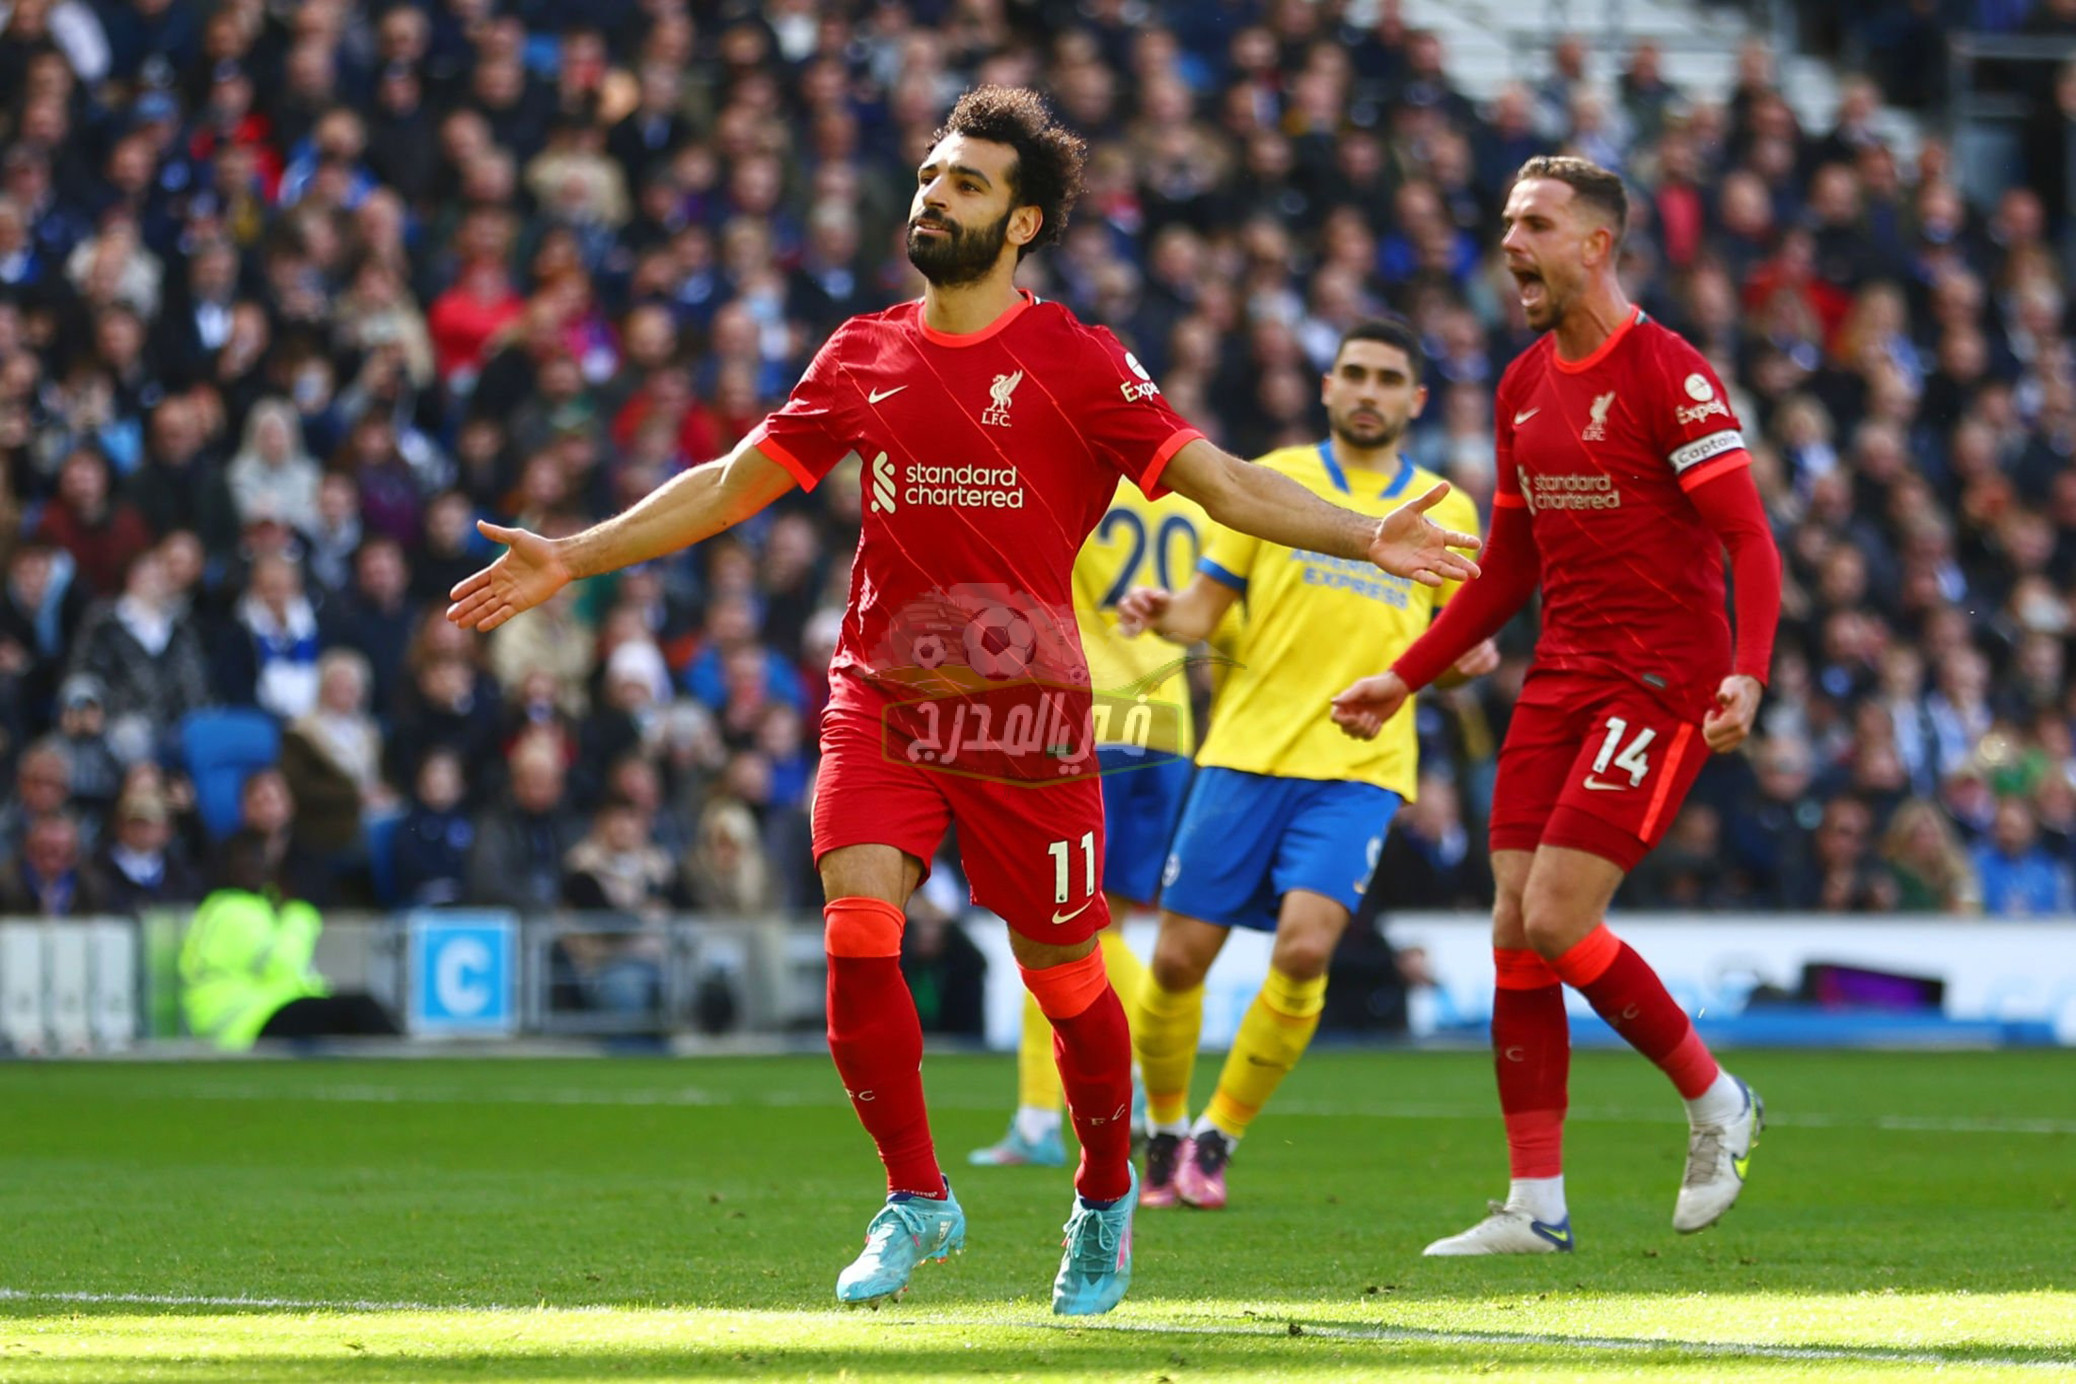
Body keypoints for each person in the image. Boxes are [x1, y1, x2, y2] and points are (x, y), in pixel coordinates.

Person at [446, 87, 1479, 1315]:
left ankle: (1103, 1201)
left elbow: (1215, 482)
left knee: (1069, 982)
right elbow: (730, 485)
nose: (934, 192)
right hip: (882, 699)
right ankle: (918, 1197)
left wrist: (1367, 532)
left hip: (1027, 725)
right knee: (857, 930)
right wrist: (574, 552)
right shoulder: (862, 352)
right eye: (933, 173)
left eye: (968, 182)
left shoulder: (1080, 362)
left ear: (1025, 220)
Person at [1332, 156, 1783, 1253]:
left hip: (1661, 676)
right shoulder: (1524, 385)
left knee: (1556, 917)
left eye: (1534, 223)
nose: (1510, 243)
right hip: (1563, 675)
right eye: (1504, 222)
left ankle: (1718, 1099)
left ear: (1598, 244)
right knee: (1512, 934)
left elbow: (1749, 538)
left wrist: (1749, 670)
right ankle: (1536, 1204)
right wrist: (1407, 670)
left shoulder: (1670, 377)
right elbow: (1506, 569)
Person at [1117, 319, 1493, 1210]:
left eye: (1388, 378)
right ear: (1326, 387)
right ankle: (1163, 1130)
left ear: (1415, 401)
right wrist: (1163, 610)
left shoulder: (1448, 509)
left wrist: (1465, 661)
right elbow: (1204, 614)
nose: (1369, 390)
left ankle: (1218, 1138)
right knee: (1175, 963)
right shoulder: (1276, 482)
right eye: (1354, 373)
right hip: (1245, 751)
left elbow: (1460, 645)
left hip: (1361, 766)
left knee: (1307, 945)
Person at [965, 437, 1228, 1169]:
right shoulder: (1186, 497)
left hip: (1091, 717)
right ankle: (1133, 1084)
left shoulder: (1070, 481)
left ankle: (1040, 1119)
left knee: (1054, 925)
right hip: (1167, 723)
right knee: (1103, 922)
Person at [179, 829, 399, 1049]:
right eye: (245, 859)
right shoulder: (234, 910)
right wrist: (300, 917)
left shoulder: (229, 907)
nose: (255, 865)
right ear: (227, 866)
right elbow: (282, 965)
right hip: (246, 1019)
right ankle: (405, 1067)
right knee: (360, 1009)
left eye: (259, 857)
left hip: (246, 1015)